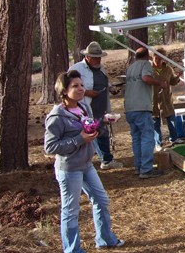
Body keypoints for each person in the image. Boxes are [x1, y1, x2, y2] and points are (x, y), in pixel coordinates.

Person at [44, 70, 124, 252]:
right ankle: (73, 250)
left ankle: (105, 239)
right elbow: (50, 148)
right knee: (71, 211)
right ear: (64, 91)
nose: (81, 89)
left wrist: (102, 122)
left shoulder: (83, 107)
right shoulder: (57, 116)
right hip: (69, 169)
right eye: (75, 86)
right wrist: (79, 140)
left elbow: (90, 128)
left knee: (101, 200)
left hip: (87, 165)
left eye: (81, 85)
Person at [70, 41, 123, 170]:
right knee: (92, 133)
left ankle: (106, 159)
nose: (98, 60)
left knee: (102, 132)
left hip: (101, 107)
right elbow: (68, 88)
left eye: (99, 57)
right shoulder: (77, 69)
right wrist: (87, 92)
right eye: (95, 57)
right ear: (87, 57)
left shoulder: (101, 69)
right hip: (86, 108)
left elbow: (104, 83)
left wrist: (111, 88)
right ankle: (102, 160)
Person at [125, 47, 168, 179]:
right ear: (147, 56)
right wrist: (159, 83)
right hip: (142, 106)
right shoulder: (146, 64)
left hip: (129, 107)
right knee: (147, 137)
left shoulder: (130, 67)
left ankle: (138, 167)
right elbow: (145, 78)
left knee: (136, 137)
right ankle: (146, 169)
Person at [152, 47, 182, 151]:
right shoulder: (149, 69)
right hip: (154, 99)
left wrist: (177, 77)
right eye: (156, 58)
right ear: (153, 57)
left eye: (161, 59)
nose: (158, 61)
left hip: (166, 99)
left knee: (171, 119)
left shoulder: (168, 69)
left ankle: (174, 138)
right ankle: (158, 143)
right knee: (155, 122)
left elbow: (172, 82)